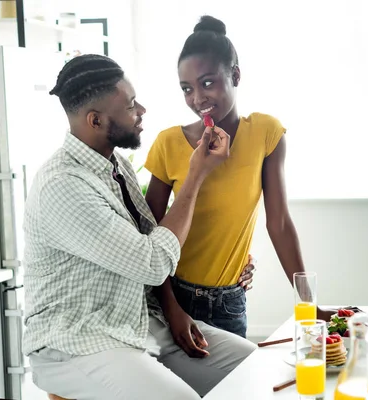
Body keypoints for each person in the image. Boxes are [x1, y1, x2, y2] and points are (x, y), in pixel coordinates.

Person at [22, 54, 255, 400]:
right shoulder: (62, 186)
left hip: (140, 321)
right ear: (96, 120)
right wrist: (196, 174)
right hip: (78, 340)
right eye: (131, 106)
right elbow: (152, 261)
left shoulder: (115, 166)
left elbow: (148, 238)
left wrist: (174, 310)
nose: (142, 110)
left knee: (256, 369)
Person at [144, 15, 333, 344]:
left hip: (229, 303)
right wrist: (171, 307)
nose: (197, 99)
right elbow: (149, 234)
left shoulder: (265, 134)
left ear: (235, 75)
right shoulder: (168, 143)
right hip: (173, 298)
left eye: (207, 83)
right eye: (186, 89)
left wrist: (309, 303)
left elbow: (280, 224)